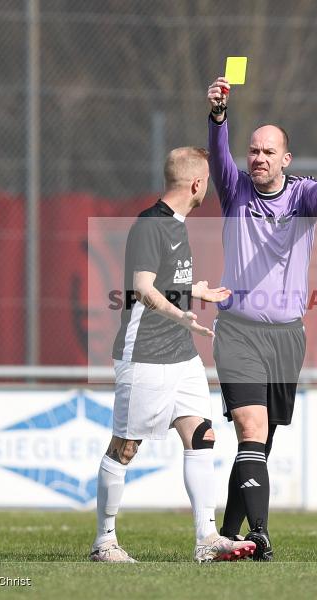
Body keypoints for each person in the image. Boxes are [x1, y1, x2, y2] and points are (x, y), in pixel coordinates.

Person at [205, 77, 317, 560]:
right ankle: (260, 533)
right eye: (254, 150)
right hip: (238, 334)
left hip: (287, 338)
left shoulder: (303, 196)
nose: (259, 158)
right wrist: (219, 117)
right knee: (250, 430)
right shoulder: (235, 191)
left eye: (269, 152)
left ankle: (224, 535)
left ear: (286, 159)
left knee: (258, 446)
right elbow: (219, 156)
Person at [90, 146, 257, 563]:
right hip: (144, 354)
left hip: (181, 357)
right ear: (197, 184)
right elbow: (144, 288)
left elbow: (165, 283)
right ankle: (104, 542)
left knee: (201, 435)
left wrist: (195, 291)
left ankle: (206, 538)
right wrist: (184, 315)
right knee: (126, 448)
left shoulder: (178, 225)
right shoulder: (151, 225)